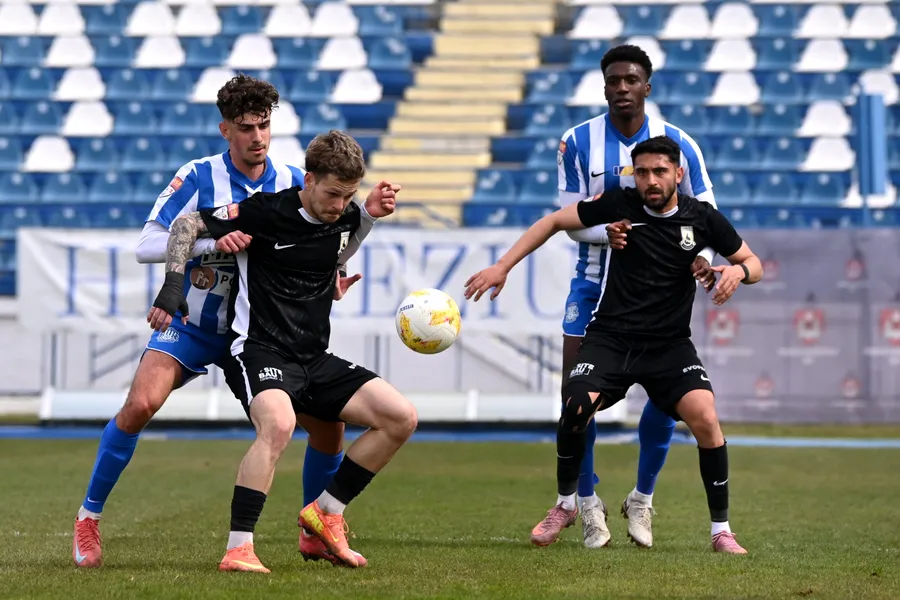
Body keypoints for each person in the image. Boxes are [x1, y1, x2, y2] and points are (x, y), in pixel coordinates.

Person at [72, 75, 393, 569]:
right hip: (197, 324)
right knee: (140, 404)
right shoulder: (199, 175)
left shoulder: (294, 179)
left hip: (262, 333)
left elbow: (318, 240)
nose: (257, 137)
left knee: (329, 430)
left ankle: (314, 532)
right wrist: (211, 243)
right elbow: (147, 244)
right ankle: (89, 517)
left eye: (264, 126)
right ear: (226, 130)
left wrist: (331, 278)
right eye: (246, 128)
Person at [465, 136, 761, 554]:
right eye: (642, 172)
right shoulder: (621, 205)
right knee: (575, 406)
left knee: (706, 417)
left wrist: (737, 272)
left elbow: (754, 263)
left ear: (678, 174)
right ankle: (566, 504)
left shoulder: (703, 217)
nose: (651, 180)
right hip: (612, 338)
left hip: (669, 346)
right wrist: (502, 266)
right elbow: (553, 222)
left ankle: (721, 531)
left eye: (660, 171)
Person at [148, 130, 418, 571]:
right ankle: (239, 548)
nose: (339, 205)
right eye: (332, 194)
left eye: (348, 196)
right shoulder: (265, 211)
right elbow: (185, 225)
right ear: (308, 180)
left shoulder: (344, 213)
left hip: (314, 357)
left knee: (401, 417)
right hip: (261, 351)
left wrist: (368, 214)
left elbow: (340, 243)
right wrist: (173, 283)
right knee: (279, 425)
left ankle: (326, 512)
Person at [555, 43, 720, 549]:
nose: (622, 88)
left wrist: (703, 258)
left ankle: (642, 497)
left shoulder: (678, 143)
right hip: (592, 282)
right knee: (574, 397)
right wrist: (608, 234)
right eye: (614, 81)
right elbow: (569, 220)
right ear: (604, 86)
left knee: (667, 397)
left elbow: (707, 214)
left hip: (658, 288)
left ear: (647, 86)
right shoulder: (577, 141)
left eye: (631, 80)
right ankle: (586, 504)